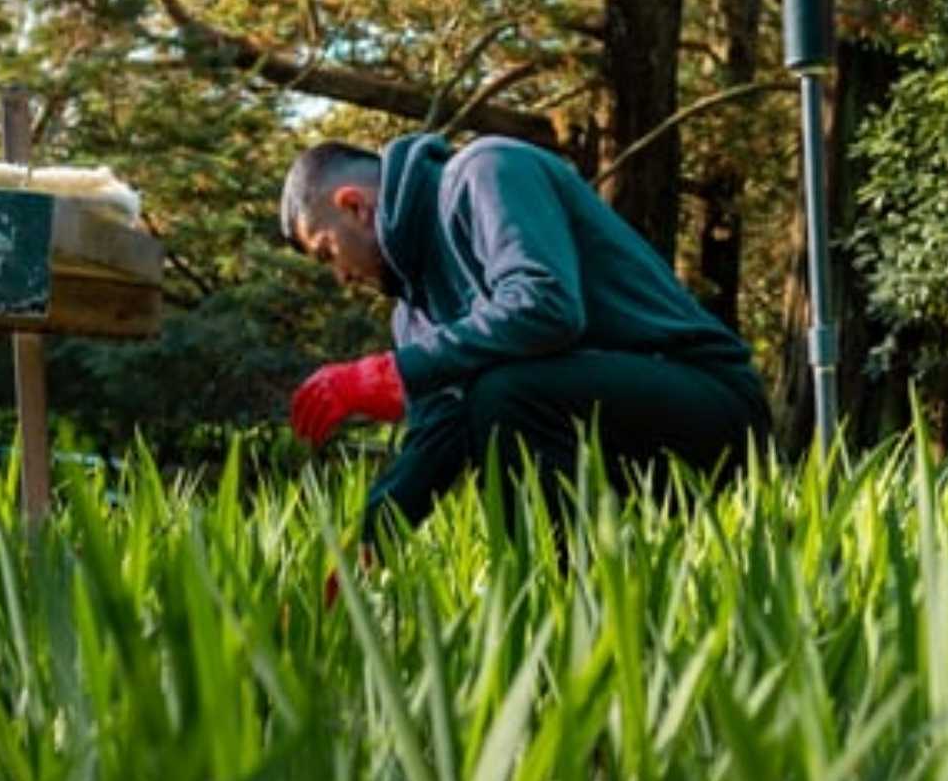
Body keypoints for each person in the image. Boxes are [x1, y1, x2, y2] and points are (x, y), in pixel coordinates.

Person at [281, 132, 771, 557]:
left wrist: (394, 373)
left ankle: (562, 605)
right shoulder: (412, 314)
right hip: (607, 434)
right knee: (486, 403)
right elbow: (436, 438)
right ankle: (563, 615)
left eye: (327, 252)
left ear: (355, 205)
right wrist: (365, 546)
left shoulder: (486, 170)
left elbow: (547, 306)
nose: (341, 276)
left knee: (503, 393)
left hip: (712, 406)